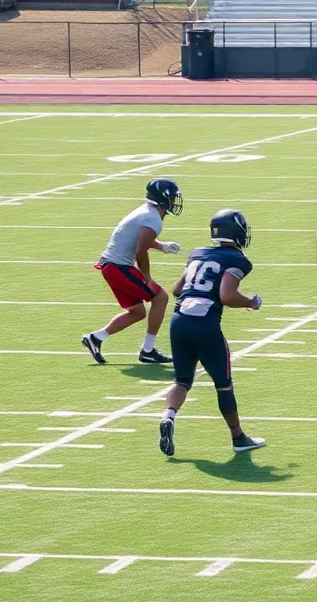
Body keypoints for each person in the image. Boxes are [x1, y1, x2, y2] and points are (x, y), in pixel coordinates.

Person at [159, 209, 266, 457]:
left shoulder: (197, 253)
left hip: (179, 320)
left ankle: (169, 416)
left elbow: (177, 289)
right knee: (223, 385)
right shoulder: (238, 260)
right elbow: (226, 296)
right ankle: (238, 437)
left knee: (182, 380)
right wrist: (250, 302)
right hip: (205, 324)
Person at [81, 179, 183, 365]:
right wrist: (147, 278)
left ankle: (96, 338)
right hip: (118, 267)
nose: (175, 201)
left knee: (137, 312)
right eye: (172, 197)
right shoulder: (152, 217)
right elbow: (140, 250)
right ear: (163, 198)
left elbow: (140, 240)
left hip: (111, 266)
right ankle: (148, 351)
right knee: (160, 298)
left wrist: (161, 246)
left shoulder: (145, 212)